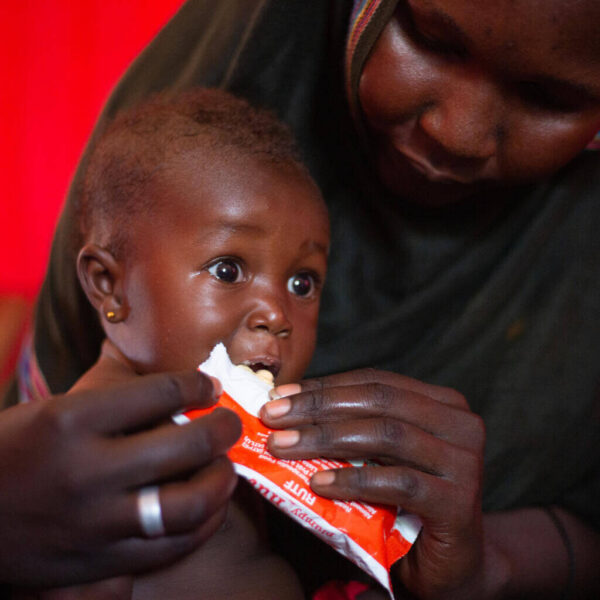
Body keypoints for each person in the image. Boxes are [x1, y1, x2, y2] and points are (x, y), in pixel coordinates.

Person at [3, 0, 600, 598]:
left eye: (303, 284)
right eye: (432, 39)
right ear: (109, 286)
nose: (457, 131)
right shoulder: (101, 467)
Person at [14, 87, 330, 600]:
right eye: (228, 270)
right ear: (110, 286)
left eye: (302, 283)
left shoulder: (244, 423)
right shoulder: (104, 442)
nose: (277, 314)